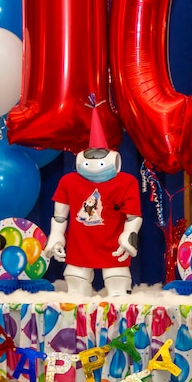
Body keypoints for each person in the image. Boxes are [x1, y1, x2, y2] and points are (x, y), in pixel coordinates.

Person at [44, 102, 142, 296]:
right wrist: (55, 237)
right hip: (80, 248)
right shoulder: (69, 182)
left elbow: (133, 217)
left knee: (118, 287)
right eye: (90, 159)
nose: (95, 164)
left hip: (114, 248)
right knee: (76, 288)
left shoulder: (126, 182)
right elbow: (59, 217)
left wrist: (130, 235)